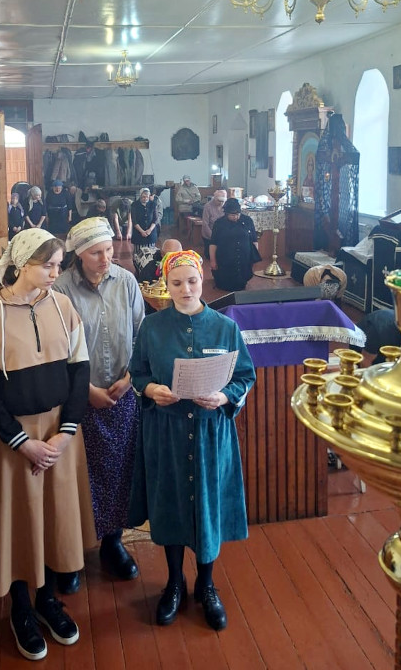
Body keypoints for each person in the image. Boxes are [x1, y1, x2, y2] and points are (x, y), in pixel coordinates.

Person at [0, 229, 95, 661]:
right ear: (23, 265)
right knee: (22, 522)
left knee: (55, 518)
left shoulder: (63, 306)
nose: (56, 273)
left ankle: (48, 601)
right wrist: (23, 443)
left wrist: (66, 432)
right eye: (48, 266)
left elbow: (81, 371)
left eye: (59, 265)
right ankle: (21, 608)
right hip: (17, 441)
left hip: (61, 433)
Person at [128, 250, 256, 631]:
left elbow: (245, 376)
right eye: (177, 283)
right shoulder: (151, 328)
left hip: (209, 434)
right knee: (170, 504)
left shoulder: (225, 328)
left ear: (202, 280)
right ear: (166, 286)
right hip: (166, 433)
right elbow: (137, 373)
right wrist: (151, 389)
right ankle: (173, 583)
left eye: (192, 281)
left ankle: (207, 583)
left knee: (206, 506)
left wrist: (224, 396)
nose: (186, 289)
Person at [53, 217, 145, 593]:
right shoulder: (60, 289)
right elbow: (58, 351)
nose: (106, 258)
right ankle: (71, 551)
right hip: (79, 398)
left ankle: (112, 542)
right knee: (78, 475)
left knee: (119, 470)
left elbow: (140, 335)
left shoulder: (126, 282)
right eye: (96, 253)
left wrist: (130, 378)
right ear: (78, 254)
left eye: (108, 250)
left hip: (122, 393)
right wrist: (86, 390)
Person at [209, 198, 260, 291]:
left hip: (244, 256)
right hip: (225, 258)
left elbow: (254, 240)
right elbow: (213, 243)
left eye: (238, 214)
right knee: (224, 284)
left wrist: (253, 257)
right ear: (226, 213)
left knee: (242, 282)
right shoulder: (219, 223)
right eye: (232, 215)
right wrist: (213, 261)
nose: (236, 217)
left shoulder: (247, 220)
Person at [130, 187, 158, 271]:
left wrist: (149, 230)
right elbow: (134, 221)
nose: (145, 198)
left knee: (150, 255)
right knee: (138, 254)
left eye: (147, 197)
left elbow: (155, 219)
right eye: (143, 197)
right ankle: (138, 270)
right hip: (138, 234)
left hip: (151, 233)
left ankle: (150, 270)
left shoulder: (153, 204)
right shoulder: (134, 205)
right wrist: (142, 231)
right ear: (140, 196)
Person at [201, 189, 227, 260]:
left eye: (223, 201)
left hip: (222, 234)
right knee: (209, 256)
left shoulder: (226, 206)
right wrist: (213, 237)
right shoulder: (208, 206)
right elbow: (205, 224)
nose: (221, 203)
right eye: (219, 201)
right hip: (209, 233)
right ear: (214, 198)